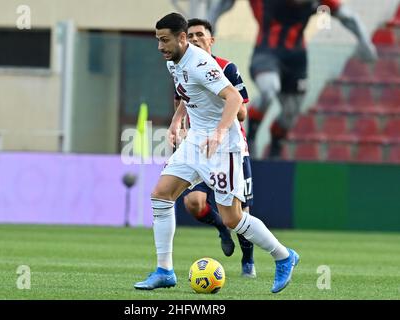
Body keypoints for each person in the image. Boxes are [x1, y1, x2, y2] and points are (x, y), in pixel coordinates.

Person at [134, 12, 299, 294]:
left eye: (165, 40)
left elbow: (234, 98)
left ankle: (283, 256)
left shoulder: (200, 62)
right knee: (161, 194)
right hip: (197, 139)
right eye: (158, 40)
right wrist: (176, 121)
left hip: (223, 145)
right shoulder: (174, 61)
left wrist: (220, 132)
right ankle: (164, 270)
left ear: (181, 38)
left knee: (232, 218)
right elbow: (190, 94)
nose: (160, 46)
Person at [206, 0, 378, 158]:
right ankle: (251, 138)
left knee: (291, 112)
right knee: (269, 90)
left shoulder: (320, 2)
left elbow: (348, 17)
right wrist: (209, 26)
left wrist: (365, 43)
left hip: (297, 59)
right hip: (266, 54)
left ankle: (276, 146)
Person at [175, 18, 256, 278]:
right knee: (193, 202)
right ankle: (221, 228)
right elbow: (186, 100)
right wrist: (178, 122)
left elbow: (241, 111)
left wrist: (224, 116)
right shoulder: (181, 65)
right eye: (191, 35)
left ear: (211, 40)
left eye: (200, 34)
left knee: (241, 212)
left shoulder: (226, 68)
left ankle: (248, 262)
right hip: (199, 146)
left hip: (230, 148)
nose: (195, 38)